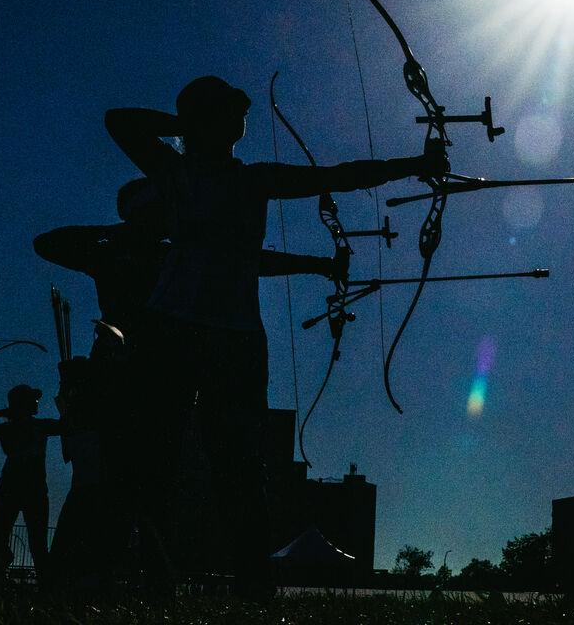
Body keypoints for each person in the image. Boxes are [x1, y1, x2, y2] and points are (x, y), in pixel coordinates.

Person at [104, 75, 445, 598]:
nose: (241, 120)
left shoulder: (253, 179)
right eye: (228, 112)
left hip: (235, 338)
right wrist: (187, 127)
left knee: (240, 467)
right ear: (206, 120)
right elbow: (119, 121)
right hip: (171, 329)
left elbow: (341, 176)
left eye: (239, 113)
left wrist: (417, 166)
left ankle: (254, 589)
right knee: (157, 460)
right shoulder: (172, 170)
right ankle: (157, 583)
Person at [34, 177, 343, 591]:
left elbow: (252, 261)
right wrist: (116, 232)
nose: (163, 223)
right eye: (154, 215)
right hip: (118, 373)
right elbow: (46, 243)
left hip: (164, 374)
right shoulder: (110, 252)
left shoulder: (175, 255)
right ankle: (94, 571)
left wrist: (319, 264)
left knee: (156, 476)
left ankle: (151, 576)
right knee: (112, 476)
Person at [0, 384, 62, 587]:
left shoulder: (29, 426)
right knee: (5, 540)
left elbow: (67, 425)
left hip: (21, 490)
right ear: (23, 404)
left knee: (18, 541)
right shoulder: (23, 427)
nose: (37, 403)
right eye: (32, 400)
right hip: (20, 490)